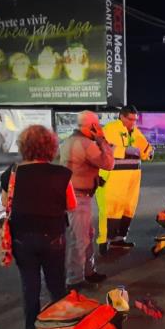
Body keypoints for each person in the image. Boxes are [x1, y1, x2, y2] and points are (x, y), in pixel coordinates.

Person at [0, 125, 77, 329]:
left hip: (23, 238)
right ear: (51, 147)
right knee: (57, 287)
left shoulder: (12, 173)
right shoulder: (61, 174)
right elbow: (71, 204)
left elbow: (6, 204)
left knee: (30, 288)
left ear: (24, 147)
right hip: (54, 236)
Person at [59, 111, 114, 289]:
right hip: (79, 197)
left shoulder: (69, 141)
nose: (99, 127)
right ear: (91, 126)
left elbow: (78, 167)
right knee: (81, 239)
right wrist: (102, 140)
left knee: (86, 236)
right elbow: (108, 163)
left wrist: (93, 178)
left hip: (74, 194)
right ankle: (75, 279)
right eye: (97, 125)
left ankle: (88, 272)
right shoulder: (85, 143)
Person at [96, 105, 153, 255]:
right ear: (121, 116)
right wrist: (126, 151)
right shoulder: (110, 128)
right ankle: (104, 241)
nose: (133, 123)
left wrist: (149, 152)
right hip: (115, 177)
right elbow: (104, 148)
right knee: (110, 209)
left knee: (128, 208)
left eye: (135, 120)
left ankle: (119, 239)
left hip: (133, 178)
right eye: (130, 119)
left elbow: (146, 149)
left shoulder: (135, 131)